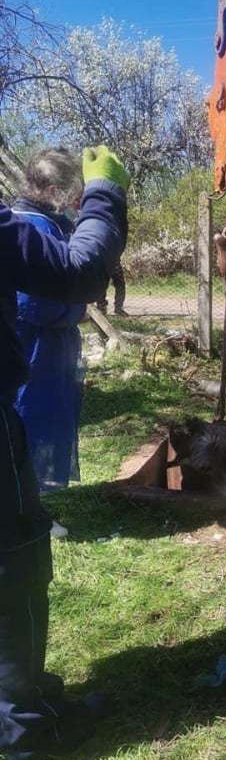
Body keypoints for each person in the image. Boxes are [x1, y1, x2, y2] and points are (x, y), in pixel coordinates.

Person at [0, 144, 129, 760]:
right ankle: (29, 732)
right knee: (15, 565)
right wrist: (105, 196)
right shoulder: (19, 227)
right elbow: (73, 280)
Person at [13, 148, 87, 539]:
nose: (77, 199)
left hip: (47, 347)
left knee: (39, 425)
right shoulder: (33, 228)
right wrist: (77, 313)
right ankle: (26, 514)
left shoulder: (44, 223)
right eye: (74, 189)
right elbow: (32, 303)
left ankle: (29, 505)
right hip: (34, 351)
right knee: (30, 425)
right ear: (55, 188)